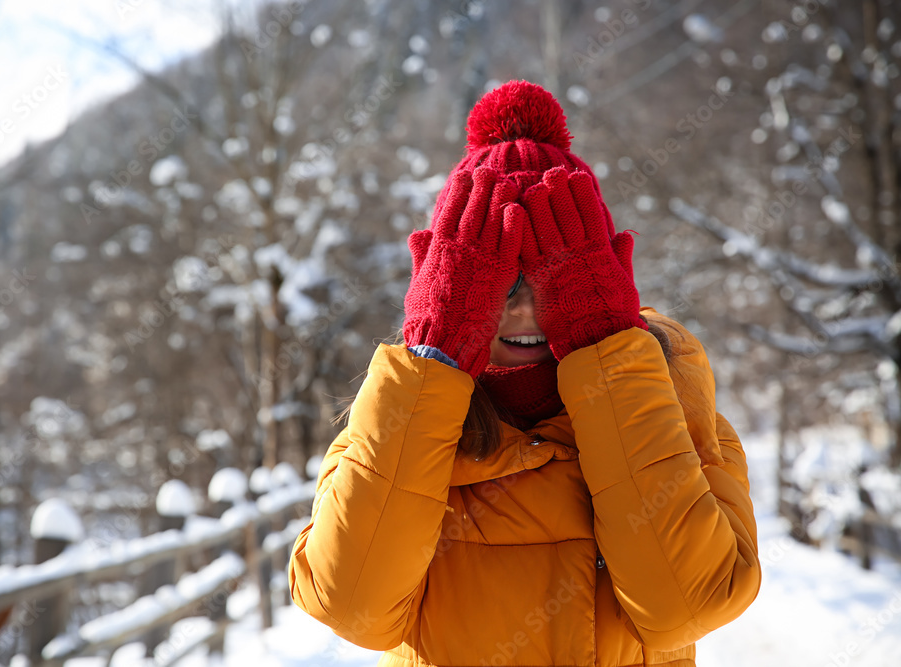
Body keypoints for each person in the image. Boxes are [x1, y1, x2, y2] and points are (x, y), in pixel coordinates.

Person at [288, 80, 760, 667]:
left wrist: (604, 351)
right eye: (498, 280)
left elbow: (691, 604)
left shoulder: (674, 403)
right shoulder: (396, 418)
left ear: (606, 280)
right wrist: (436, 355)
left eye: (551, 276)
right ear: (445, 284)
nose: (523, 309)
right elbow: (349, 604)